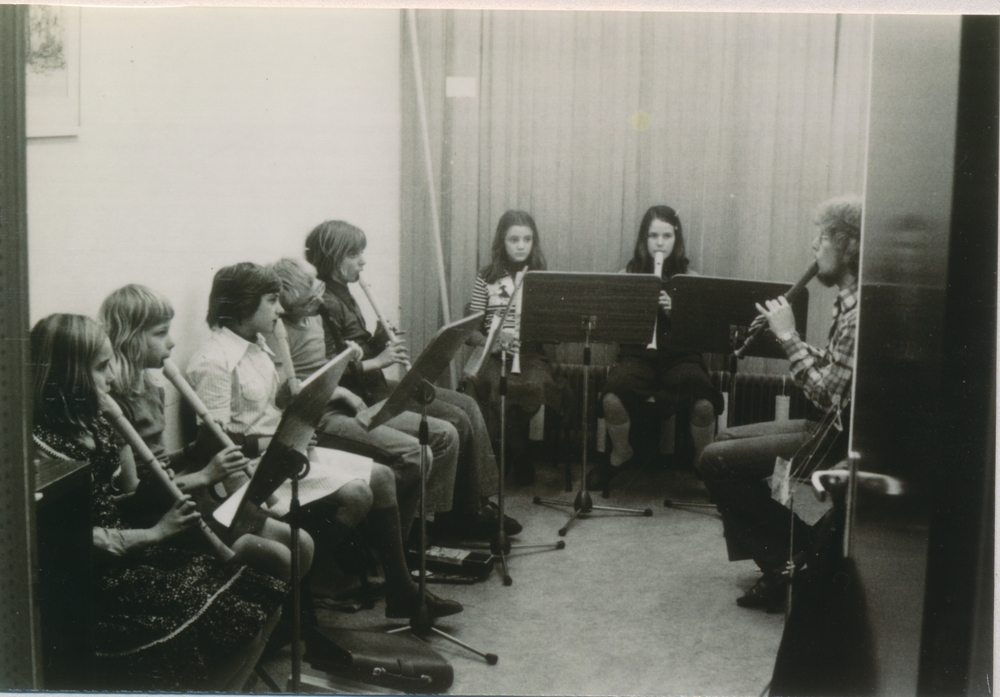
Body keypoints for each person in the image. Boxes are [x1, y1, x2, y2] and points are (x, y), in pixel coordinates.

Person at [186, 262, 462, 619]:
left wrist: (302, 404)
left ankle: (401, 588)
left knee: (381, 477)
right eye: (271, 300)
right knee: (359, 493)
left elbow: (266, 407)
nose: (279, 309)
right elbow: (216, 443)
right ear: (242, 304)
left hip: (286, 450)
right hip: (255, 470)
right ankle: (313, 580)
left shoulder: (257, 345)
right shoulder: (213, 360)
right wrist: (271, 445)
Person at [31, 314, 289, 690]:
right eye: (101, 367)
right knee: (233, 606)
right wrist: (157, 532)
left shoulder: (91, 424)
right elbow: (69, 538)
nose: (111, 377)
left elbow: (109, 501)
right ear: (68, 375)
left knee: (264, 598)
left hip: (127, 555)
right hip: (92, 579)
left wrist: (153, 495)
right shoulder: (41, 446)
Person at [302, 223, 520, 539]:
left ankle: (475, 503)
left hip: (374, 386)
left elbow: (356, 349)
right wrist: (379, 359)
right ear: (331, 257)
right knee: (454, 422)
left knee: (467, 405)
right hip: (360, 396)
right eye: (353, 254)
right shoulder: (325, 302)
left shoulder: (344, 291)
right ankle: (442, 518)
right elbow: (331, 369)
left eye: (361, 252)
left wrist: (377, 339)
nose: (362, 260)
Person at [696, 195, 861, 611]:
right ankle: (798, 552)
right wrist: (791, 339)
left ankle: (787, 562)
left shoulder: (858, 314)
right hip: (826, 425)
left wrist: (788, 338)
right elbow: (836, 370)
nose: (814, 245)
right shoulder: (849, 300)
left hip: (834, 436)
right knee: (725, 441)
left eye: (823, 238)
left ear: (849, 248)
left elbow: (827, 394)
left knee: (714, 461)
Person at [99, 284, 308, 572]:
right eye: (160, 333)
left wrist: (193, 450)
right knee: (279, 557)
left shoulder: (151, 388)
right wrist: (205, 475)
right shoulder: (115, 406)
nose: (172, 342)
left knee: (302, 543)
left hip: (180, 496)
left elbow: (159, 464)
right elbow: (136, 491)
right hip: (157, 512)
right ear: (130, 339)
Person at [588, 205, 724, 491]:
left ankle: (702, 460)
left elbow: (703, 335)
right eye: (653, 236)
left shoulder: (690, 278)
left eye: (667, 236)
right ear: (644, 239)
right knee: (611, 397)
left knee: (704, 403)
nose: (660, 243)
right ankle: (621, 452)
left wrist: (677, 312)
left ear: (677, 239)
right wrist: (635, 307)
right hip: (638, 356)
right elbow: (612, 326)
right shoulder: (628, 275)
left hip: (681, 357)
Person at [466, 209, 567, 485]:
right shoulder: (486, 276)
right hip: (494, 354)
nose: (521, 246)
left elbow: (553, 328)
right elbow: (471, 331)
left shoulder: (541, 277)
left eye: (527, 239)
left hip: (530, 354)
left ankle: (510, 443)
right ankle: (521, 452)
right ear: (502, 242)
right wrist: (492, 342)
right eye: (514, 240)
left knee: (536, 388)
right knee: (496, 389)